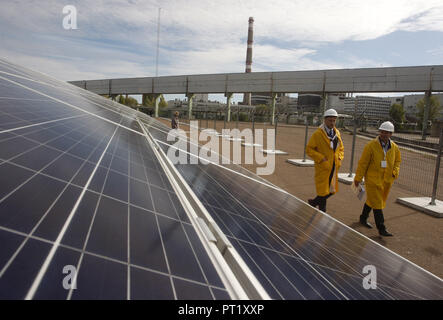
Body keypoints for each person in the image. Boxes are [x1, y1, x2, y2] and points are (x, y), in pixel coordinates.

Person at [353, 121, 401, 237]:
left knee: (372, 201)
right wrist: (358, 177)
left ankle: (363, 218)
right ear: (379, 132)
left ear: (391, 134)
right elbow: (363, 163)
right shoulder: (371, 146)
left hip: (386, 181)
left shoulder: (394, 148)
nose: (384, 134)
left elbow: (397, 161)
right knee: (378, 204)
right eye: (382, 132)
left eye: (387, 132)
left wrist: (395, 172)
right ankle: (381, 228)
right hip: (372, 180)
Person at [306, 109, 344, 212]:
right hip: (323, 167)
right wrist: (321, 158)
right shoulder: (318, 134)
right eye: (330, 120)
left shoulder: (337, 133)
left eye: (334, 120)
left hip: (334, 166)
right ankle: (323, 211)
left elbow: (341, 148)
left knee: (332, 190)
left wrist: (339, 158)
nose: (332, 123)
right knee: (323, 191)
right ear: (325, 120)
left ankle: (314, 202)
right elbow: (309, 149)